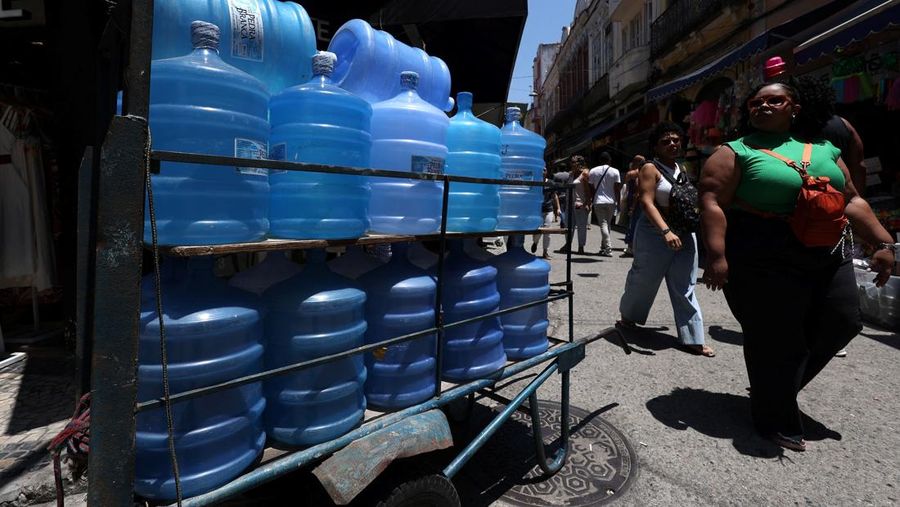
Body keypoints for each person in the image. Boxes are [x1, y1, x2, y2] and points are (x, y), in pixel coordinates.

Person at [699, 82, 895, 452]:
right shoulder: (734, 151)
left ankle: (776, 390)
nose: (764, 106)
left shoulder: (824, 149)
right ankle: (774, 415)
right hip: (762, 250)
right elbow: (712, 202)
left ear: (795, 107)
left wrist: (883, 242)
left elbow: (851, 199)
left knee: (843, 320)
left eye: (775, 100)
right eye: (757, 102)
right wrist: (717, 256)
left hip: (825, 247)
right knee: (776, 335)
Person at [618, 122, 714, 358]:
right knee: (644, 280)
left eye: (675, 139)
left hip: (684, 232)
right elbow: (646, 201)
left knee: (686, 286)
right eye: (666, 141)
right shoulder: (650, 168)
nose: (672, 143)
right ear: (655, 146)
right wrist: (665, 231)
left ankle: (693, 338)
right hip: (654, 233)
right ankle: (628, 317)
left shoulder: (682, 168)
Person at [588, 152, 621, 257]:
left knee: (603, 224)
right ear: (610, 160)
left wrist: (591, 199)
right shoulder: (615, 171)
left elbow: (591, 188)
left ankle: (607, 248)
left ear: (599, 160)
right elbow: (617, 189)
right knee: (607, 224)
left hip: (598, 201)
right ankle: (604, 247)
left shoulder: (593, 171)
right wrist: (618, 202)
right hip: (611, 201)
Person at [559, 155, 591, 254]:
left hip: (579, 204)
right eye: (571, 162)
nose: (571, 164)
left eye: (574, 162)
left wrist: (587, 203)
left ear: (579, 163)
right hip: (569, 203)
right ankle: (568, 244)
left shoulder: (584, 174)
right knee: (569, 226)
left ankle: (581, 247)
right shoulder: (570, 174)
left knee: (581, 227)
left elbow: (588, 191)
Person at [531, 167, 560, 259]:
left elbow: (555, 196)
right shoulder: (535, 183)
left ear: (547, 172)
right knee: (538, 231)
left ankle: (545, 252)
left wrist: (558, 208)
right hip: (537, 210)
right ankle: (535, 242)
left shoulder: (550, 183)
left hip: (549, 209)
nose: (543, 171)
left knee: (547, 231)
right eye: (541, 170)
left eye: (544, 170)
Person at [621, 155, 645, 257]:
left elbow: (626, 188)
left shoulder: (631, 173)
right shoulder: (643, 174)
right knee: (638, 224)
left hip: (632, 201)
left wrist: (632, 207)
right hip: (640, 202)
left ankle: (631, 247)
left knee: (632, 224)